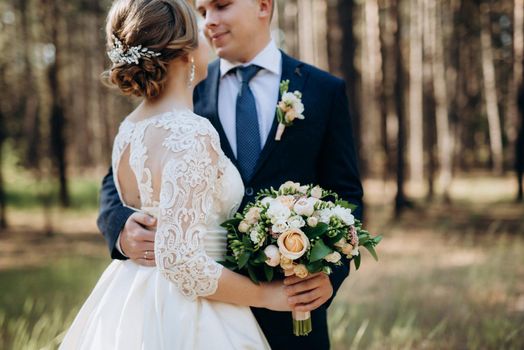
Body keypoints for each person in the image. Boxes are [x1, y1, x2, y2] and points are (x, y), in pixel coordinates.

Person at [98, 0, 364, 348]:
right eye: (203, 11)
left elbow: (346, 194)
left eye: (221, 6)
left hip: (290, 304)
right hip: (189, 308)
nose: (209, 21)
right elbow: (118, 178)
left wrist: (331, 273)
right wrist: (121, 227)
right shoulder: (179, 91)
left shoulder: (322, 90)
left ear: (263, 6)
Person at [61, 0, 292, 348]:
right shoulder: (192, 133)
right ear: (184, 53)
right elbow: (180, 260)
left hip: (130, 298)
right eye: (198, 30)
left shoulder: (129, 129)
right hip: (192, 312)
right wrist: (266, 297)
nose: (208, 35)